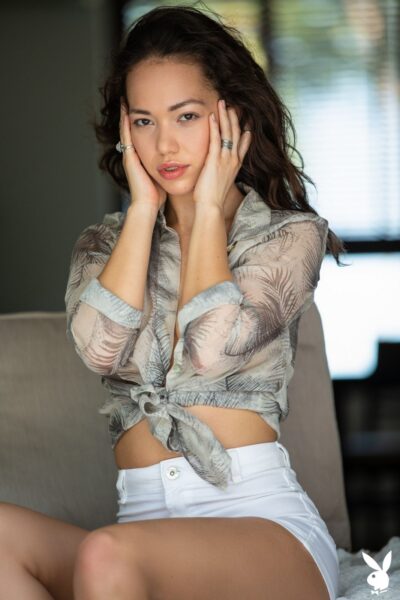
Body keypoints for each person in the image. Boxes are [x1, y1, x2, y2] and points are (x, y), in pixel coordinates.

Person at [0, 4, 346, 599]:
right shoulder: (104, 245)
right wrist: (141, 209)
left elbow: (211, 349)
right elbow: (99, 349)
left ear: (232, 117)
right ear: (125, 131)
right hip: (140, 535)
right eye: (144, 121)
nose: (165, 143)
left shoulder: (288, 237)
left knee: (108, 554)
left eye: (186, 116)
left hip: (260, 526)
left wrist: (208, 208)